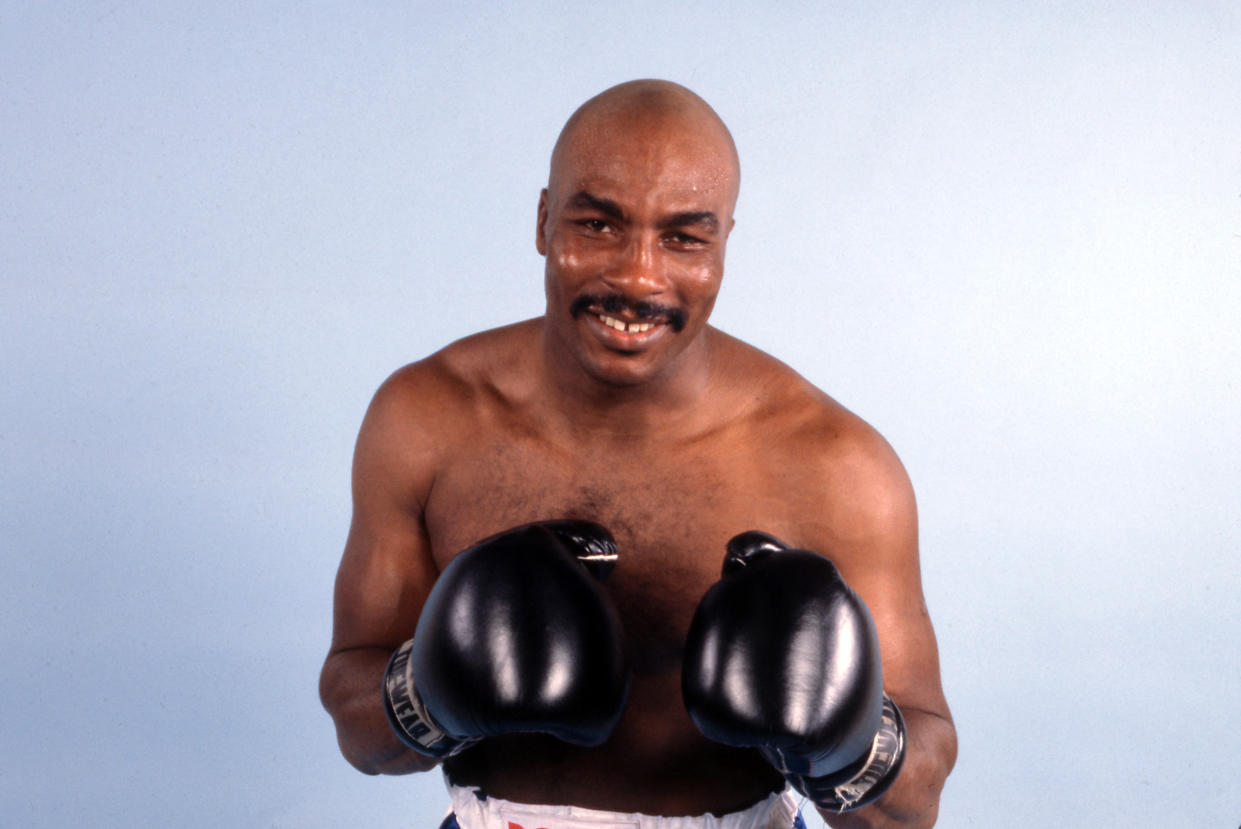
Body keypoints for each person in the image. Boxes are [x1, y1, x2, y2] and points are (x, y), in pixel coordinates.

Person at [319, 79, 957, 829]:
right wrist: (426, 692)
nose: (637, 277)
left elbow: (909, 809)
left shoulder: (835, 466)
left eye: (683, 237)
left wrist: (850, 744)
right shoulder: (428, 420)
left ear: (722, 246)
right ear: (543, 220)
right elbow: (361, 733)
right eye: (597, 224)